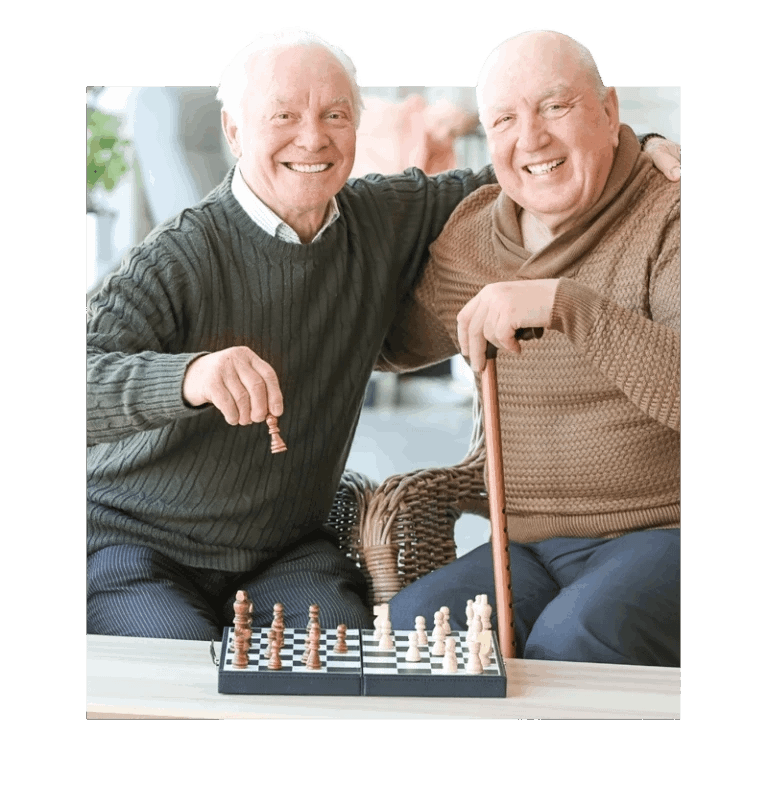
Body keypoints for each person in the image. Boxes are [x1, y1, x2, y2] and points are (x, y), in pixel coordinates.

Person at [87, 27, 680, 641]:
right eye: (283, 115)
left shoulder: (385, 217)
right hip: (139, 543)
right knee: (183, 673)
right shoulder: (176, 258)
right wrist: (187, 377)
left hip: (281, 553)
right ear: (234, 132)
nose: (312, 136)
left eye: (334, 114)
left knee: (364, 665)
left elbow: (530, 168)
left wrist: (639, 146)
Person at [382, 30, 680, 667]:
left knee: (573, 640)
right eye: (505, 120)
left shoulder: (669, 216)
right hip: (529, 548)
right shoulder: (474, 237)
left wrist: (562, 303)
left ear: (609, 111)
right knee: (415, 632)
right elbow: (385, 345)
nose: (532, 139)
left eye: (555, 107)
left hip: (666, 535)